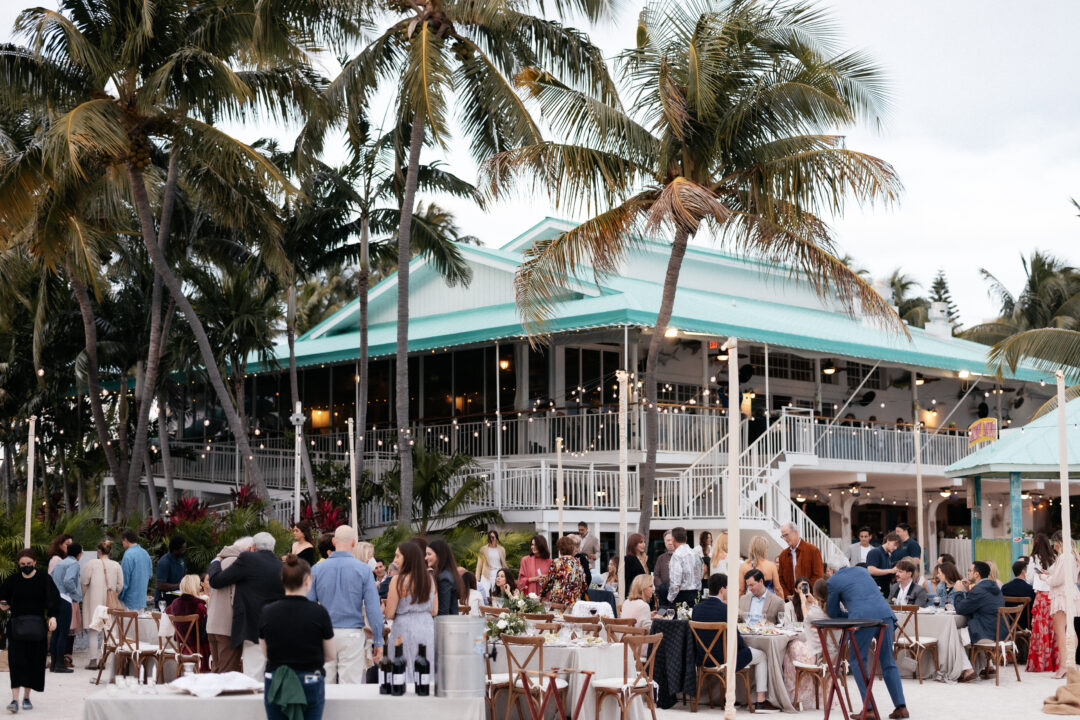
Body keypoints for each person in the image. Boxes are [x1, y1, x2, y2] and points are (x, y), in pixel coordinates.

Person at [825, 559, 908, 719]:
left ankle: (868, 708)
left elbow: (833, 613)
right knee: (888, 661)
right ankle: (901, 706)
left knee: (857, 661)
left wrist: (849, 616)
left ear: (830, 570)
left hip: (862, 619)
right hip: (886, 614)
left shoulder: (833, 580)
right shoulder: (863, 571)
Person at [259, 555, 334, 720]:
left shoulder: (267, 612)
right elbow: (330, 655)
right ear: (307, 580)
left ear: (282, 580)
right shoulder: (319, 612)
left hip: (276, 680)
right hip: (309, 680)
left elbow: (265, 653)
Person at [307, 525, 384, 684]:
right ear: (354, 542)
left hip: (324, 632)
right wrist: (378, 640)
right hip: (352, 633)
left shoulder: (317, 569)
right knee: (350, 687)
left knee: (324, 685)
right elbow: (373, 608)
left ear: (334, 541)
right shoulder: (363, 570)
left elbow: (308, 605)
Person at [693, 573, 780, 713]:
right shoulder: (725, 609)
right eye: (728, 588)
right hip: (725, 659)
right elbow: (736, 640)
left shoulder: (697, 608)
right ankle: (761, 701)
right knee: (762, 655)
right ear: (722, 589)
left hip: (703, 659)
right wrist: (746, 649)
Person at [208, 532, 285, 680]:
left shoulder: (248, 559)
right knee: (271, 674)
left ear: (253, 547)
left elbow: (217, 581)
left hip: (251, 627)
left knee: (253, 675)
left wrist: (215, 562)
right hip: (275, 627)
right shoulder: (280, 565)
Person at [0, 549, 61, 713]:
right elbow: (3, 597)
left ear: (34, 562)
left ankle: (27, 697)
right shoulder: (13, 580)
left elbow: (53, 600)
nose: (25, 566)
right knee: (16, 661)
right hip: (17, 627)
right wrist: (3, 604)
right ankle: (14, 699)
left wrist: (53, 617)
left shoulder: (44, 579)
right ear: (18, 564)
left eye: (28, 564)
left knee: (34, 662)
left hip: (37, 628)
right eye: (22, 564)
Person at [386, 542, 437, 682]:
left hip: (404, 628)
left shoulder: (397, 580)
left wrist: (384, 609)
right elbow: (434, 610)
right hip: (427, 627)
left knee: (403, 667)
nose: (394, 559)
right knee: (425, 668)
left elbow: (389, 613)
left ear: (407, 557)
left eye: (397, 556)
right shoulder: (429, 579)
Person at [783, 579, 831, 710]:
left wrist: (810, 602)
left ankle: (804, 694)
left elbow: (809, 625)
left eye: (806, 587)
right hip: (797, 639)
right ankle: (793, 694)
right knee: (792, 648)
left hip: (815, 643)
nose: (803, 590)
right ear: (795, 590)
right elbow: (787, 625)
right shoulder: (789, 606)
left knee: (798, 650)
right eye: (800, 587)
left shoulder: (816, 605)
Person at [207, 536, 251, 674]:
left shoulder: (219, 562)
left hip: (212, 624)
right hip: (227, 625)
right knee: (227, 674)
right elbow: (235, 596)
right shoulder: (237, 564)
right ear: (249, 549)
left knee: (217, 670)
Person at [81, 540, 123, 671]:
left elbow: (84, 581)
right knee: (107, 631)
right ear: (109, 551)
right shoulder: (116, 565)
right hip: (109, 603)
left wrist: (85, 595)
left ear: (98, 551)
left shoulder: (92, 563)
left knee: (93, 631)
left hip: (93, 601)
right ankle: (104, 659)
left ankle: (93, 660)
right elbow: (120, 585)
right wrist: (112, 593)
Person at [1045, 531, 1080, 678]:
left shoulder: (1065, 557)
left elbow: (1056, 580)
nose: (1053, 547)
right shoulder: (1073, 556)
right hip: (1071, 593)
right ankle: (1070, 663)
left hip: (1061, 594)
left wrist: (1044, 577)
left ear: (1058, 542)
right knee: (1070, 630)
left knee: (1061, 631)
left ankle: (1064, 666)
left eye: (1054, 543)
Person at [953, 561, 1005, 647]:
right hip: (1000, 633)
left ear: (976, 574)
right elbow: (978, 604)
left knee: (953, 634)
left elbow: (960, 609)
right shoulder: (993, 586)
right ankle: (979, 660)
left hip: (987, 634)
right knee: (961, 634)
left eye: (970, 570)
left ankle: (963, 661)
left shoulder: (979, 590)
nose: (968, 573)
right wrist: (968, 591)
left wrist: (958, 592)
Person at [1026, 532, 1057, 672]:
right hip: (1053, 595)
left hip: (1041, 596)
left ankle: (1041, 662)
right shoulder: (1055, 557)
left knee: (1040, 628)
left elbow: (1029, 579)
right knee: (1053, 627)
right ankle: (1053, 661)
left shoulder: (1033, 558)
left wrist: (1039, 575)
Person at [48, 542, 81, 673]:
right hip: (65, 599)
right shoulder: (74, 564)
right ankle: (60, 665)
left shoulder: (61, 562)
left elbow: (50, 578)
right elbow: (68, 581)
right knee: (63, 633)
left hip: (55, 599)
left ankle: (54, 664)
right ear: (79, 554)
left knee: (56, 632)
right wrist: (76, 594)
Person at [166, 574, 210, 671]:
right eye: (198, 585)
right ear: (194, 587)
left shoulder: (175, 603)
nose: (200, 587)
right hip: (199, 649)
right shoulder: (198, 605)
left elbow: (167, 611)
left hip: (183, 648)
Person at [777, 522, 824, 598]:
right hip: (791, 601)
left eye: (786, 535)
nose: (785, 539)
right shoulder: (783, 555)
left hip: (809, 598)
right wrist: (787, 595)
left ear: (795, 532)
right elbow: (780, 579)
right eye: (783, 536)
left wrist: (804, 592)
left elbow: (818, 575)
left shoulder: (813, 550)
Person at [541, 535, 588, 606]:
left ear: (560, 550)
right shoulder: (578, 563)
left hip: (558, 601)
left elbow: (549, 582)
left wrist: (542, 593)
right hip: (573, 602)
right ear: (572, 548)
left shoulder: (556, 562)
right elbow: (584, 584)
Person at [426, 539, 464, 616]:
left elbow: (443, 612)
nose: (426, 558)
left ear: (439, 555)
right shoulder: (445, 574)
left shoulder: (444, 578)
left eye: (429, 554)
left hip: (445, 625)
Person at [119, 529, 153, 611]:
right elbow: (150, 574)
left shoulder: (128, 555)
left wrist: (119, 597)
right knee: (139, 623)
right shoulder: (145, 553)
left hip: (129, 601)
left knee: (127, 624)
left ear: (126, 540)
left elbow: (124, 581)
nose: (122, 544)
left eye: (122, 542)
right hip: (141, 600)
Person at [667, 527, 701, 607]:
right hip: (695, 594)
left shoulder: (676, 555)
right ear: (686, 538)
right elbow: (700, 574)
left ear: (673, 539)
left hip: (681, 595)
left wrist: (670, 598)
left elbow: (676, 582)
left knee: (680, 619)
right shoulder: (696, 554)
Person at [1001, 559, 1035, 629]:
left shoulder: (1005, 588)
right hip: (1025, 625)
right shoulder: (1030, 589)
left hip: (1008, 625)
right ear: (1023, 572)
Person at [156, 536, 187, 605]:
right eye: (182, 550)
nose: (184, 551)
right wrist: (179, 585)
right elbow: (160, 585)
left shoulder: (181, 558)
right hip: (165, 600)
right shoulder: (164, 562)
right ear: (175, 550)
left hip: (178, 597)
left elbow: (184, 573)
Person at [866, 532, 899, 598]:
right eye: (895, 544)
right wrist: (890, 570)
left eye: (897, 546)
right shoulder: (875, 552)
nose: (896, 548)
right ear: (888, 540)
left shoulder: (888, 555)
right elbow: (871, 570)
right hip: (876, 591)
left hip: (884, 592)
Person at [623, 534, 649, 600]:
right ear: (633, 544)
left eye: (644, 542)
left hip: (645, 594)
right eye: (640, 542)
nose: (643, 544)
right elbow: (627, 580)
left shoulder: (645, 559)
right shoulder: (628, 559)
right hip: (634, 595)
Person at [653, 532, 674, 607]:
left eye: (672, 540)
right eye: (668, 540)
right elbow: (656, 575)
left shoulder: (682, 557)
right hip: (663, 594)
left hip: (679, 593)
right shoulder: (661, 558)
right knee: (663, 613)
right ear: (665, 542)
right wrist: (662, 586)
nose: (670, 543)